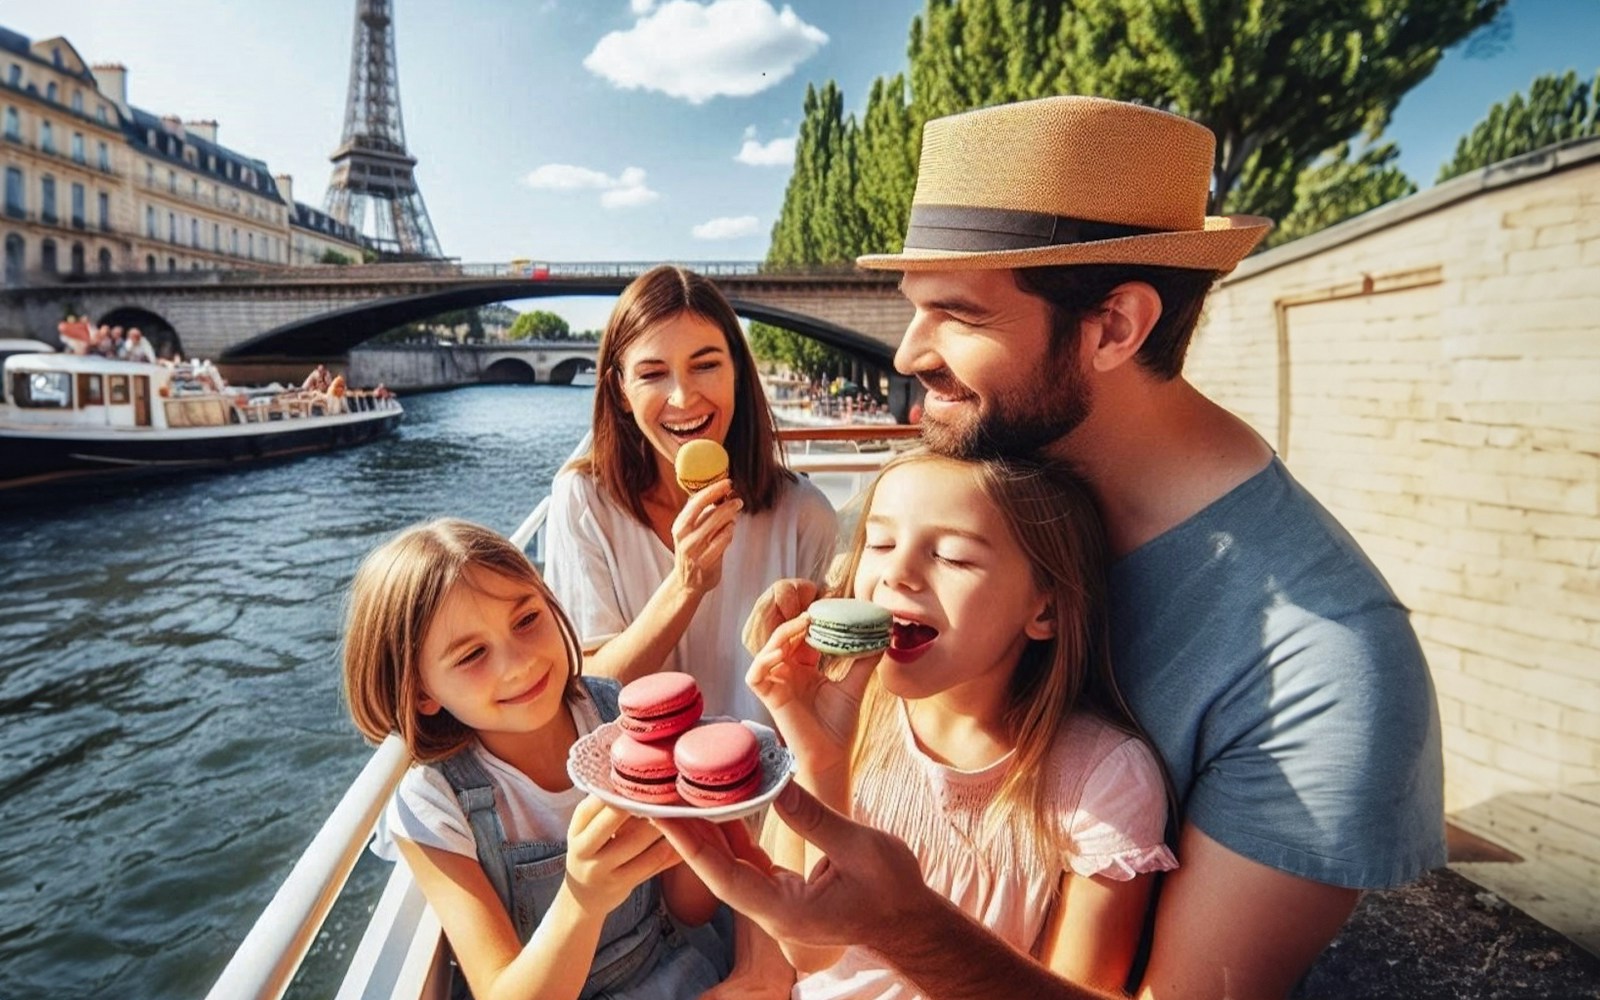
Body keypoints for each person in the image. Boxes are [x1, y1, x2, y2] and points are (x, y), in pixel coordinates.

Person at [664, 95, 1446, 999]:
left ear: (1115, 326)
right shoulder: (957, 503)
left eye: (957, 313)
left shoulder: (1333, 672)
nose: (909, 353)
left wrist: (908, 931)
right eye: (914, 309)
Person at [749, 450, 1176, 997]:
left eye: (952, 556)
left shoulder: (1101, 777)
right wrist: (818, 759)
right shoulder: (833, 713)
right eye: (879, 544)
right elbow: (810, 952)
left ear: (1045, 609)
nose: (897, 574)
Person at [341, 518, 726, 1000]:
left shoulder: (616, 716)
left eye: (526, 620)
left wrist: (693, 811)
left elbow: (692, 911)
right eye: (471, 655)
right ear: (421, 693)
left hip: (675, 966)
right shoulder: (434, 806)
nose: (519, 663)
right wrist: (583, 900)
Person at [543, 264, 838, 724]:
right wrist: (686, 585)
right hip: (633, 792)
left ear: (737, 372)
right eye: (652, 374)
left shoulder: (805, 514)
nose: (682, 397)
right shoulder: (582, 501)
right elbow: (591, 695)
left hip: (769, 789)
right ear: (620, 391)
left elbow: (830, 699)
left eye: (705, 365)